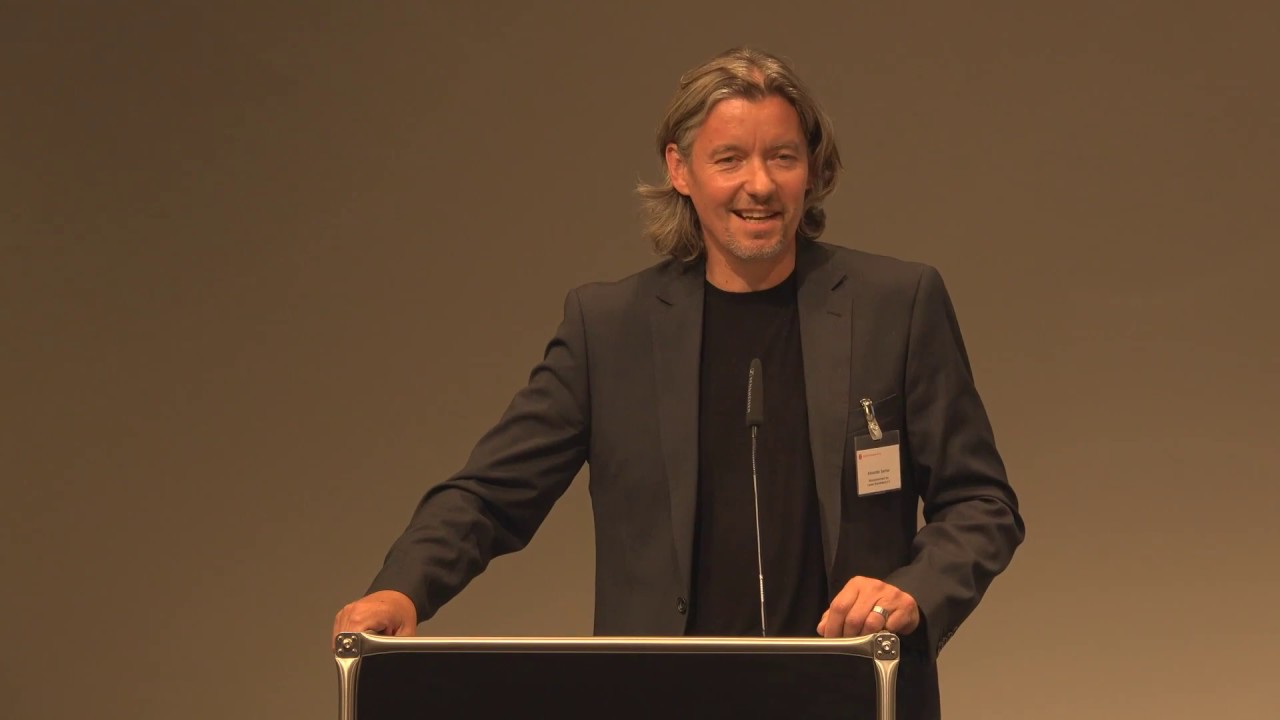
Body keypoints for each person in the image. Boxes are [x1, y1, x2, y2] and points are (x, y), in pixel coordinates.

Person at [333, 46, 1024, 719]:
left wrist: (911, 593)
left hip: (853, 695)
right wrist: (402, 590)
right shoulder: (609, 329)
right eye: (729, 158)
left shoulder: (896, 305)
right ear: (681, 169)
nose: (759, 184)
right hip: (661, 699)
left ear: (810, 170)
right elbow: (490, 496)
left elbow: (981, 503)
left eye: (781, 156)